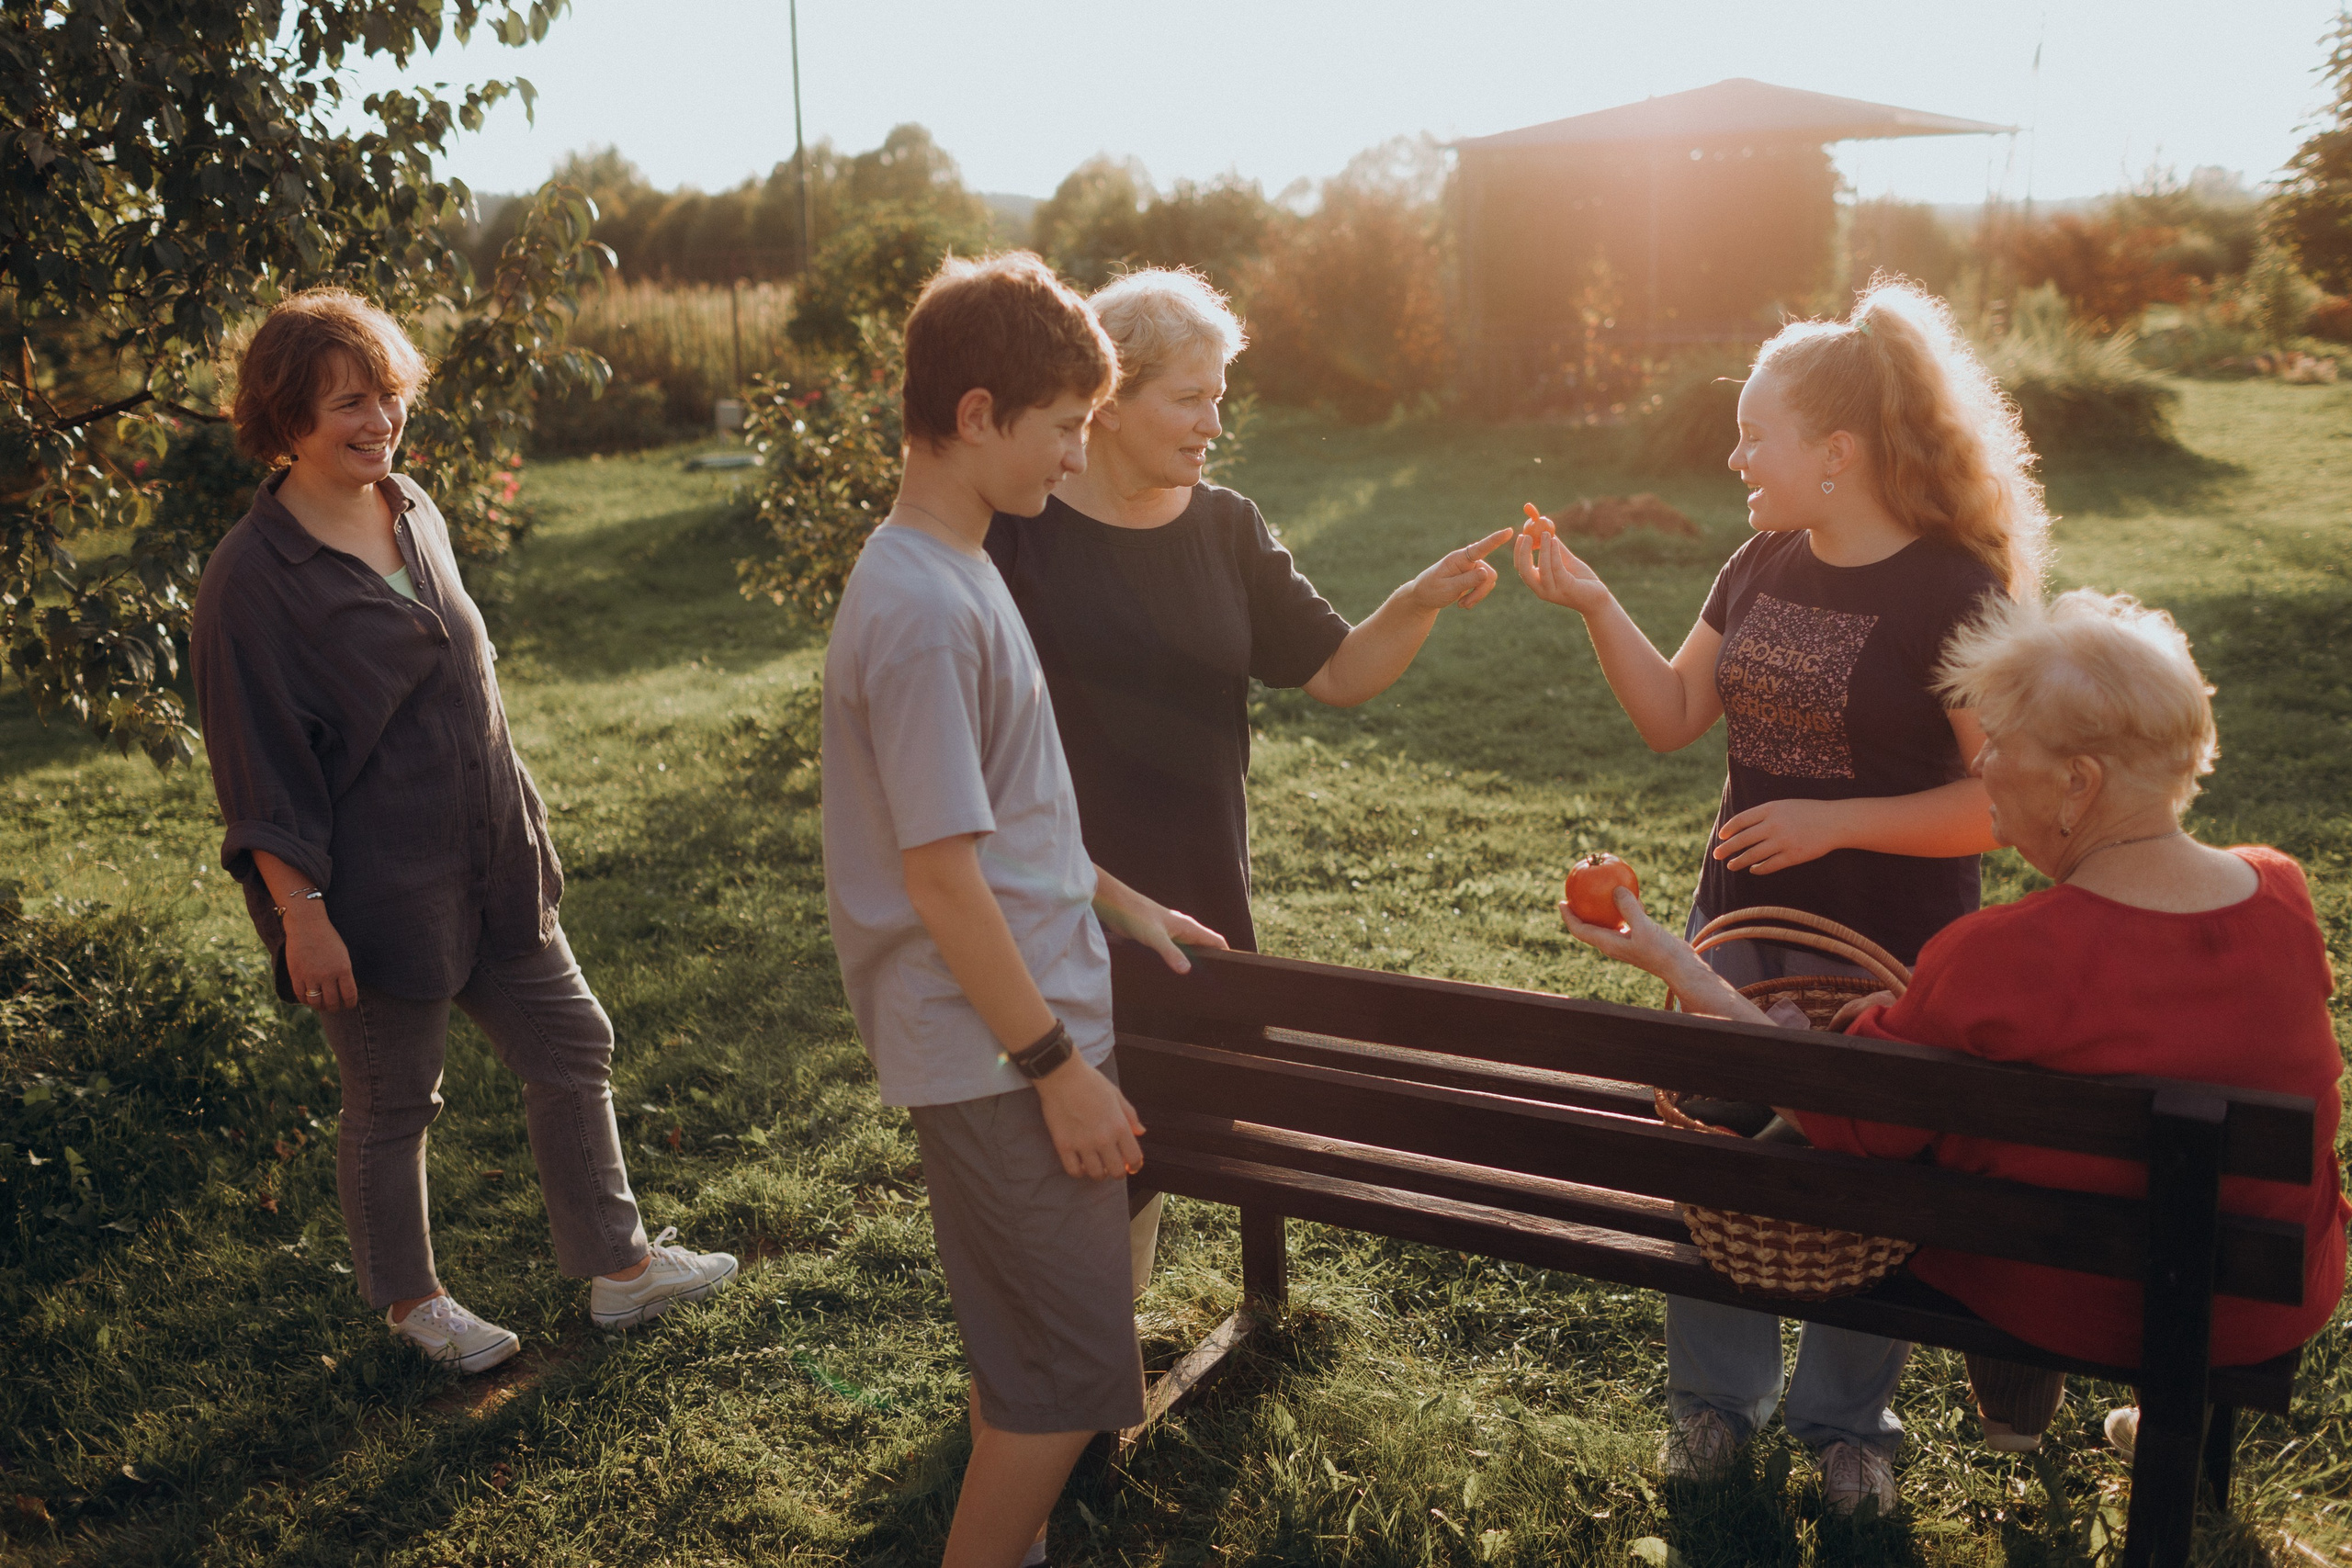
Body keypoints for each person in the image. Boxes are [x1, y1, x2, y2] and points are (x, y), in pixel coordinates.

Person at [1565, 590, 2348, 1499]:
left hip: (2075, 1298)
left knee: (1845, 1164)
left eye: (2000, 745)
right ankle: (2107, 1419)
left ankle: (1796, 1406)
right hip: (2263, 1295)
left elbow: (1833, 1106)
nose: (1982, 766)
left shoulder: (1996, 955)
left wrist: (1684, 968)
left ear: (2079, 782)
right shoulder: (2279, 891)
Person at [1515, 276, 2053, 1507]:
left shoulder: (1955, 589)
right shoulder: (1757, 560)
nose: (1734, 451)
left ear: (1837, 452)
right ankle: (1713, 1407)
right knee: (1718, 1165)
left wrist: (1834, 820)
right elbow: (1670, 717)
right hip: (1737, 938)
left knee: (1867, 1183)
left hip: (1898, 956)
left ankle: (1848, 1420)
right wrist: (1597, 602)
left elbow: (2002, 803)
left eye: (1757, 432)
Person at [191, 290, 737, 1375]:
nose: (378, 422)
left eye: (387, 395)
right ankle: (414, 1307)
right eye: (348, 404)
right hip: (375, 890)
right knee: (395, 1099)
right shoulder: (250, 582)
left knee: (570, 1044)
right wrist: (303, 918)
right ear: (284, 416)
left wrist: (519, 814)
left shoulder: (411, 505)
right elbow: (259, 769)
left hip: (492, 859)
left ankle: (620, 1272)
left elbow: (464, 682)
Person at [820, 253, 1226, 1568]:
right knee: (1065, 1377)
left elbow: (996, 822)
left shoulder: (957, 560)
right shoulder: (925, 606)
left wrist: (1118, 895)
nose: (1075, 453)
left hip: (1019, 1026)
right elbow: (940, 877)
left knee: (1034, 1366)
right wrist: (1057, 1069)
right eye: (1062, 426)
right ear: (981, 412)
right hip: (1003, 1051)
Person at [985, 266, 1512, 954]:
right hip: (1050, 921)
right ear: (1107, 402)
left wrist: (1416, 601)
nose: (1214, 424)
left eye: (1218, 397)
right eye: (1188, 400)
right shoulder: (1017, 532)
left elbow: (1339, 671)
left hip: (1206, 917)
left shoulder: (1227, 527)